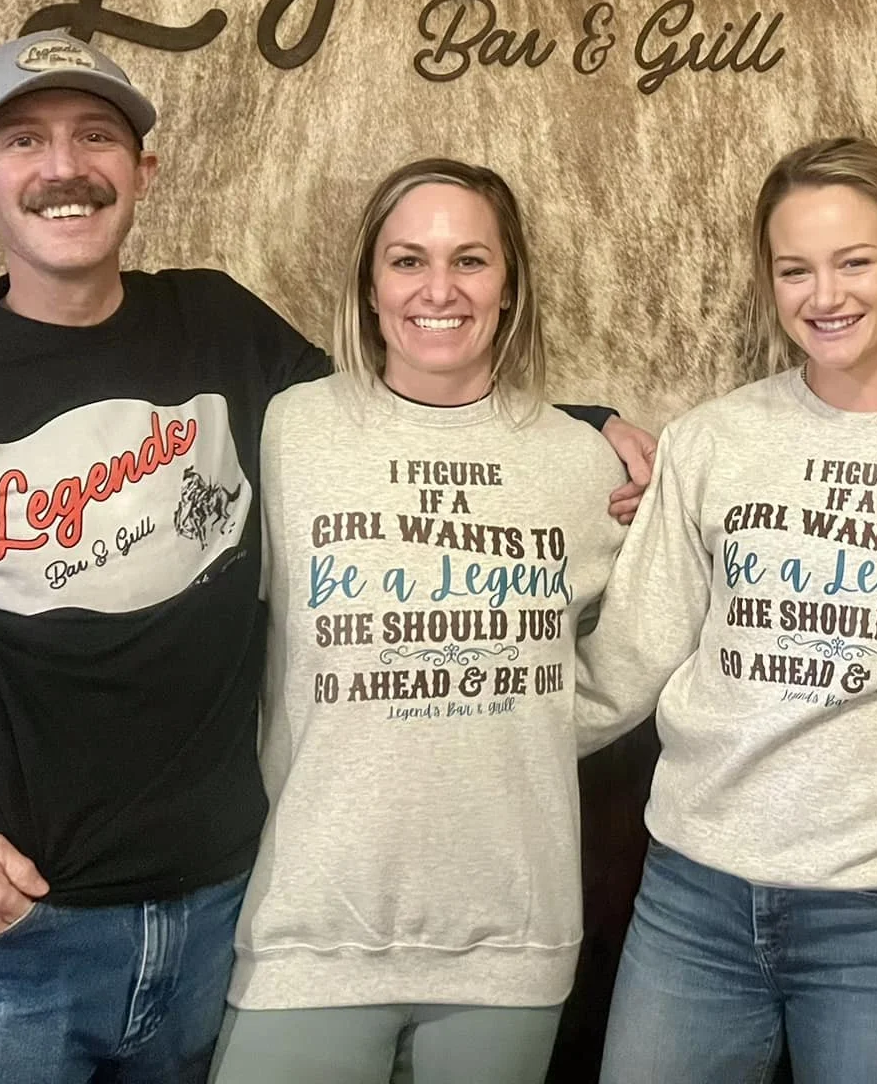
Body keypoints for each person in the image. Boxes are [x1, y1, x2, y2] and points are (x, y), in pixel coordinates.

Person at [0, 32, 651, 1084]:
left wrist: (584, 430)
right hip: (10, 937)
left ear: (143, 172)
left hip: (224, 919)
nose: (63, 165)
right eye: (22, 140)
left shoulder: (220, 327)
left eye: (97, 135)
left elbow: (402, 414)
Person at [575, 136, 877, 1084]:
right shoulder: (714, 440)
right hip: (694, 908)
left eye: (855, 261)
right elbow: (618, 673)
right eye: (795, 268)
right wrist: (454, 728)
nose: (826, 294)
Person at [204, 158, 629, 1083]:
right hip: (309, 930)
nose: (439, 290)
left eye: (471, 261)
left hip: (510, 938)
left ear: (509, 285)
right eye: (408, 261)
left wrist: (540, 711)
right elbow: (175, 586)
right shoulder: (287, 433)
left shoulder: (580, 461)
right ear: (369, 282)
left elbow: (646, 637)